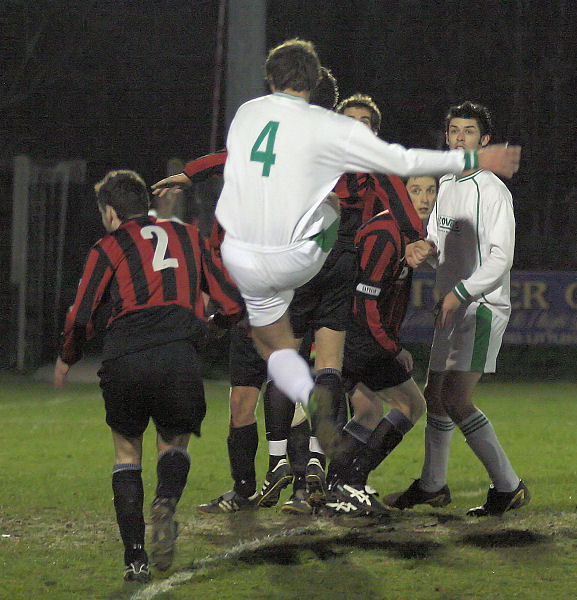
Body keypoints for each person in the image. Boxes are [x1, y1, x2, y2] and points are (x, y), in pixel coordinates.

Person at [152, 39, 521, 459]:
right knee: (329, 369)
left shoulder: (269, 122)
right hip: (327, 263)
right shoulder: (338, 145)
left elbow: (234, 158)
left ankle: (297, 468)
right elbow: (397, 170)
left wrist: (189, 174)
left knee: (307, 370)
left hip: (293, 261)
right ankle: (319, 470)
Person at [54, 170, 244, 582]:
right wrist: (214, 326)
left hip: (126, 357)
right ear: (146, 204)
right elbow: (231, 301)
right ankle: (165, 503)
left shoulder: (108, 245)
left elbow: (81, 313)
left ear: (110, 212)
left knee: (127, 453)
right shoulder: (190, 236)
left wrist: (68, 356)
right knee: (173, 441)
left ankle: (135, 558)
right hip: (178, 353)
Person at [384, 101, 530, 517]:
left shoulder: (492, 189)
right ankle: (433, 486)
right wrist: (423, 250)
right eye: (454, 131)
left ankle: (509, 486)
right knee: (435, 394)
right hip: (452, 306)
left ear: (484, 141)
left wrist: (459, 293)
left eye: (469, 131)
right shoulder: (446, 184)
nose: (460, 137)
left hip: (480, 307)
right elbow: (439, 251)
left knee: (456, 398)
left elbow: (501, 259)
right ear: (447, 138)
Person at [320, 204, 432, 517]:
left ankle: (334, 487)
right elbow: (364, 299)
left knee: (368, 410)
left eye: (430, 190)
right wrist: (392, 347)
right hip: (359, 336)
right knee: (412, 405)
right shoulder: (386, 233)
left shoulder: (408, 233)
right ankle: (353, 483)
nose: (423, 199)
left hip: (348, 333)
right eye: (414, 190)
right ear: (399, 195)